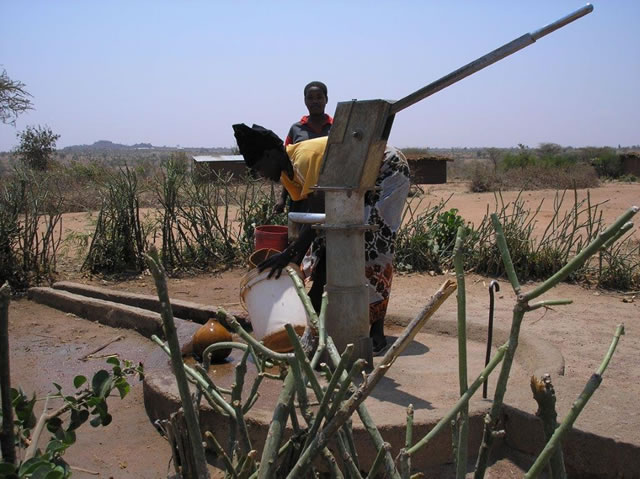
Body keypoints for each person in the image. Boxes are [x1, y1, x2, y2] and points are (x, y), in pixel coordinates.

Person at [233, 123, 410, 353]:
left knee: (372, 243)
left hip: (385, 168)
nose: (262, 175)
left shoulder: (305, 159)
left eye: (259, 168)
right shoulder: (287, 173)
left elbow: (321, 208)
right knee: (321, 248)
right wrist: (293, 257)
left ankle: (376, 330)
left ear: (270, 154)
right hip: (355, 180)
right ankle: (317, 321)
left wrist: (289, 254)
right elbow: (307, 217)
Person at [274, 81, 333, 214]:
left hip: (331, 192)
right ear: (305, 100)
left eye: (319, 97)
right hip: (302, 195)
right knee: (301, 231)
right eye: (310, 98)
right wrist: (282, 198)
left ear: (326, 99)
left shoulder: (337, 127)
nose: (315, 101)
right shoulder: (296, 129)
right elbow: (288, 166)